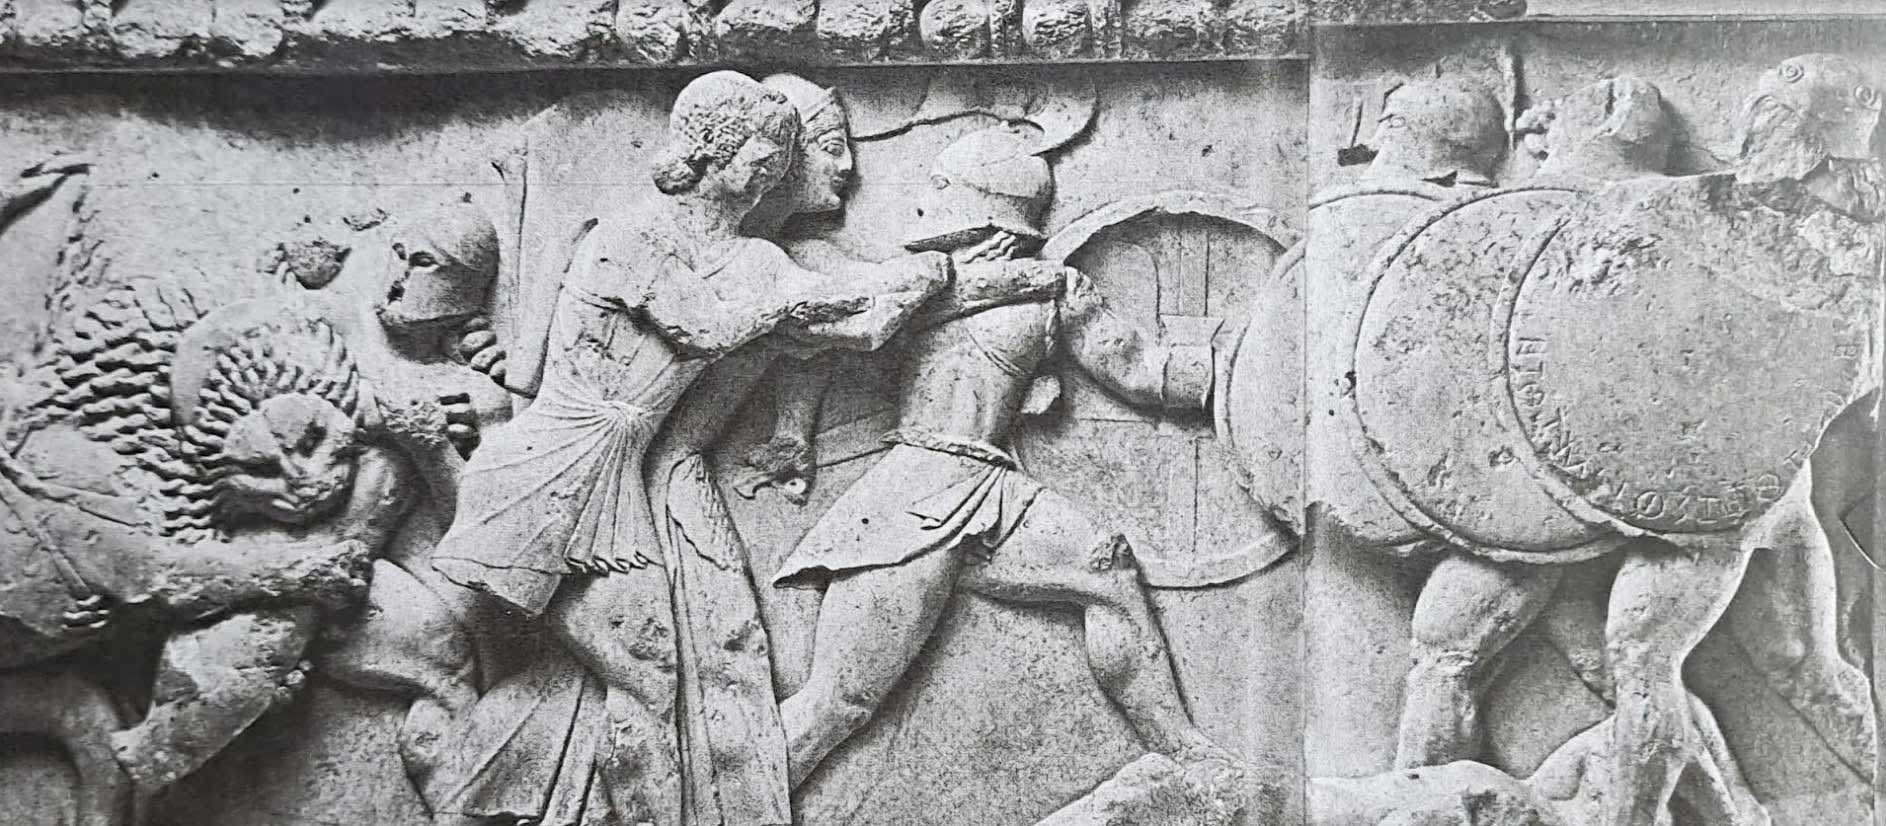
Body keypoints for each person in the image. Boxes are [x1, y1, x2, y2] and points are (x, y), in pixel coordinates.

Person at [422, 71, 907, 826]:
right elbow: (704, 328)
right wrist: (799, 299)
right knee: (646, 674)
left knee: (652, 671)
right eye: (760, 153)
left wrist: (928, 279)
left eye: (778, 157)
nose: (770, 170)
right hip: (553, 472)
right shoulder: (633, 238)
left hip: (614, 477)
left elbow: (852, 325)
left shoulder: (743, 257)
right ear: (712, 153)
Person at [772, 124, 1238, 788]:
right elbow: (830, 336)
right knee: (840, 700)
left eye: (941, 186)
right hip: (914, 494)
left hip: (993, 488)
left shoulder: (1056, 295)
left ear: (982, 203)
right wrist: (793, 429)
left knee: (1105, 571)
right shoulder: (916, 281)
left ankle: (1184, 751)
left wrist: (1240, 372)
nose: (924, 201)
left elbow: (1142, 372)